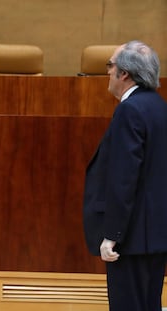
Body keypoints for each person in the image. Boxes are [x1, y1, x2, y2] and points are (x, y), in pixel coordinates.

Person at [83, 40, 167, 311]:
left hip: (130, 239)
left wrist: (112, 235)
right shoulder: (159, 106)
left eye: (110, 65)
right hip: (155, 235)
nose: (107, 72)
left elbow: (123, 179)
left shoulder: (129, 110)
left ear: (125, 74)